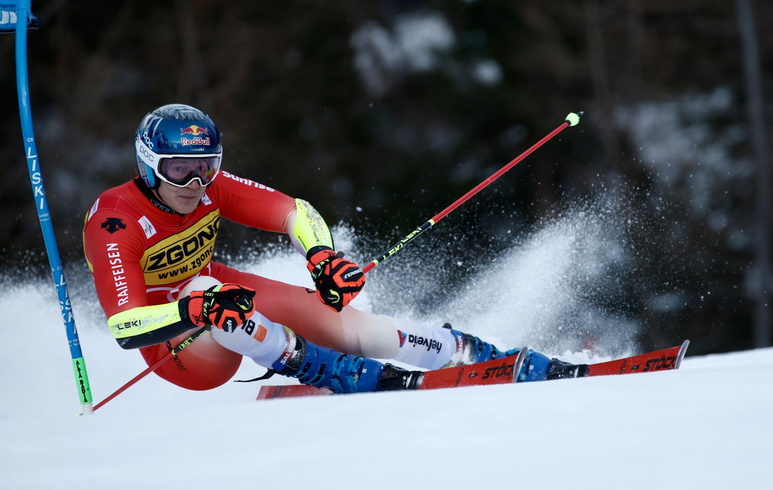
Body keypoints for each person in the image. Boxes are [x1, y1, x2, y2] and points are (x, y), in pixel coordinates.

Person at [83, 104, 584, 394]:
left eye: (207, 166)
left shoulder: (210, 186)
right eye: (178, 169)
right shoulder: (115, 221)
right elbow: (124, 326)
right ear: (149, 165)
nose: (195, 182)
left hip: (219, 301)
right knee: (206, 286)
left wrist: (322, 256)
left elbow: (294, 211)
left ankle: (466, 352)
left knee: (334, 315)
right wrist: (195, 306)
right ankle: (320, 369)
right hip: (177, 348)